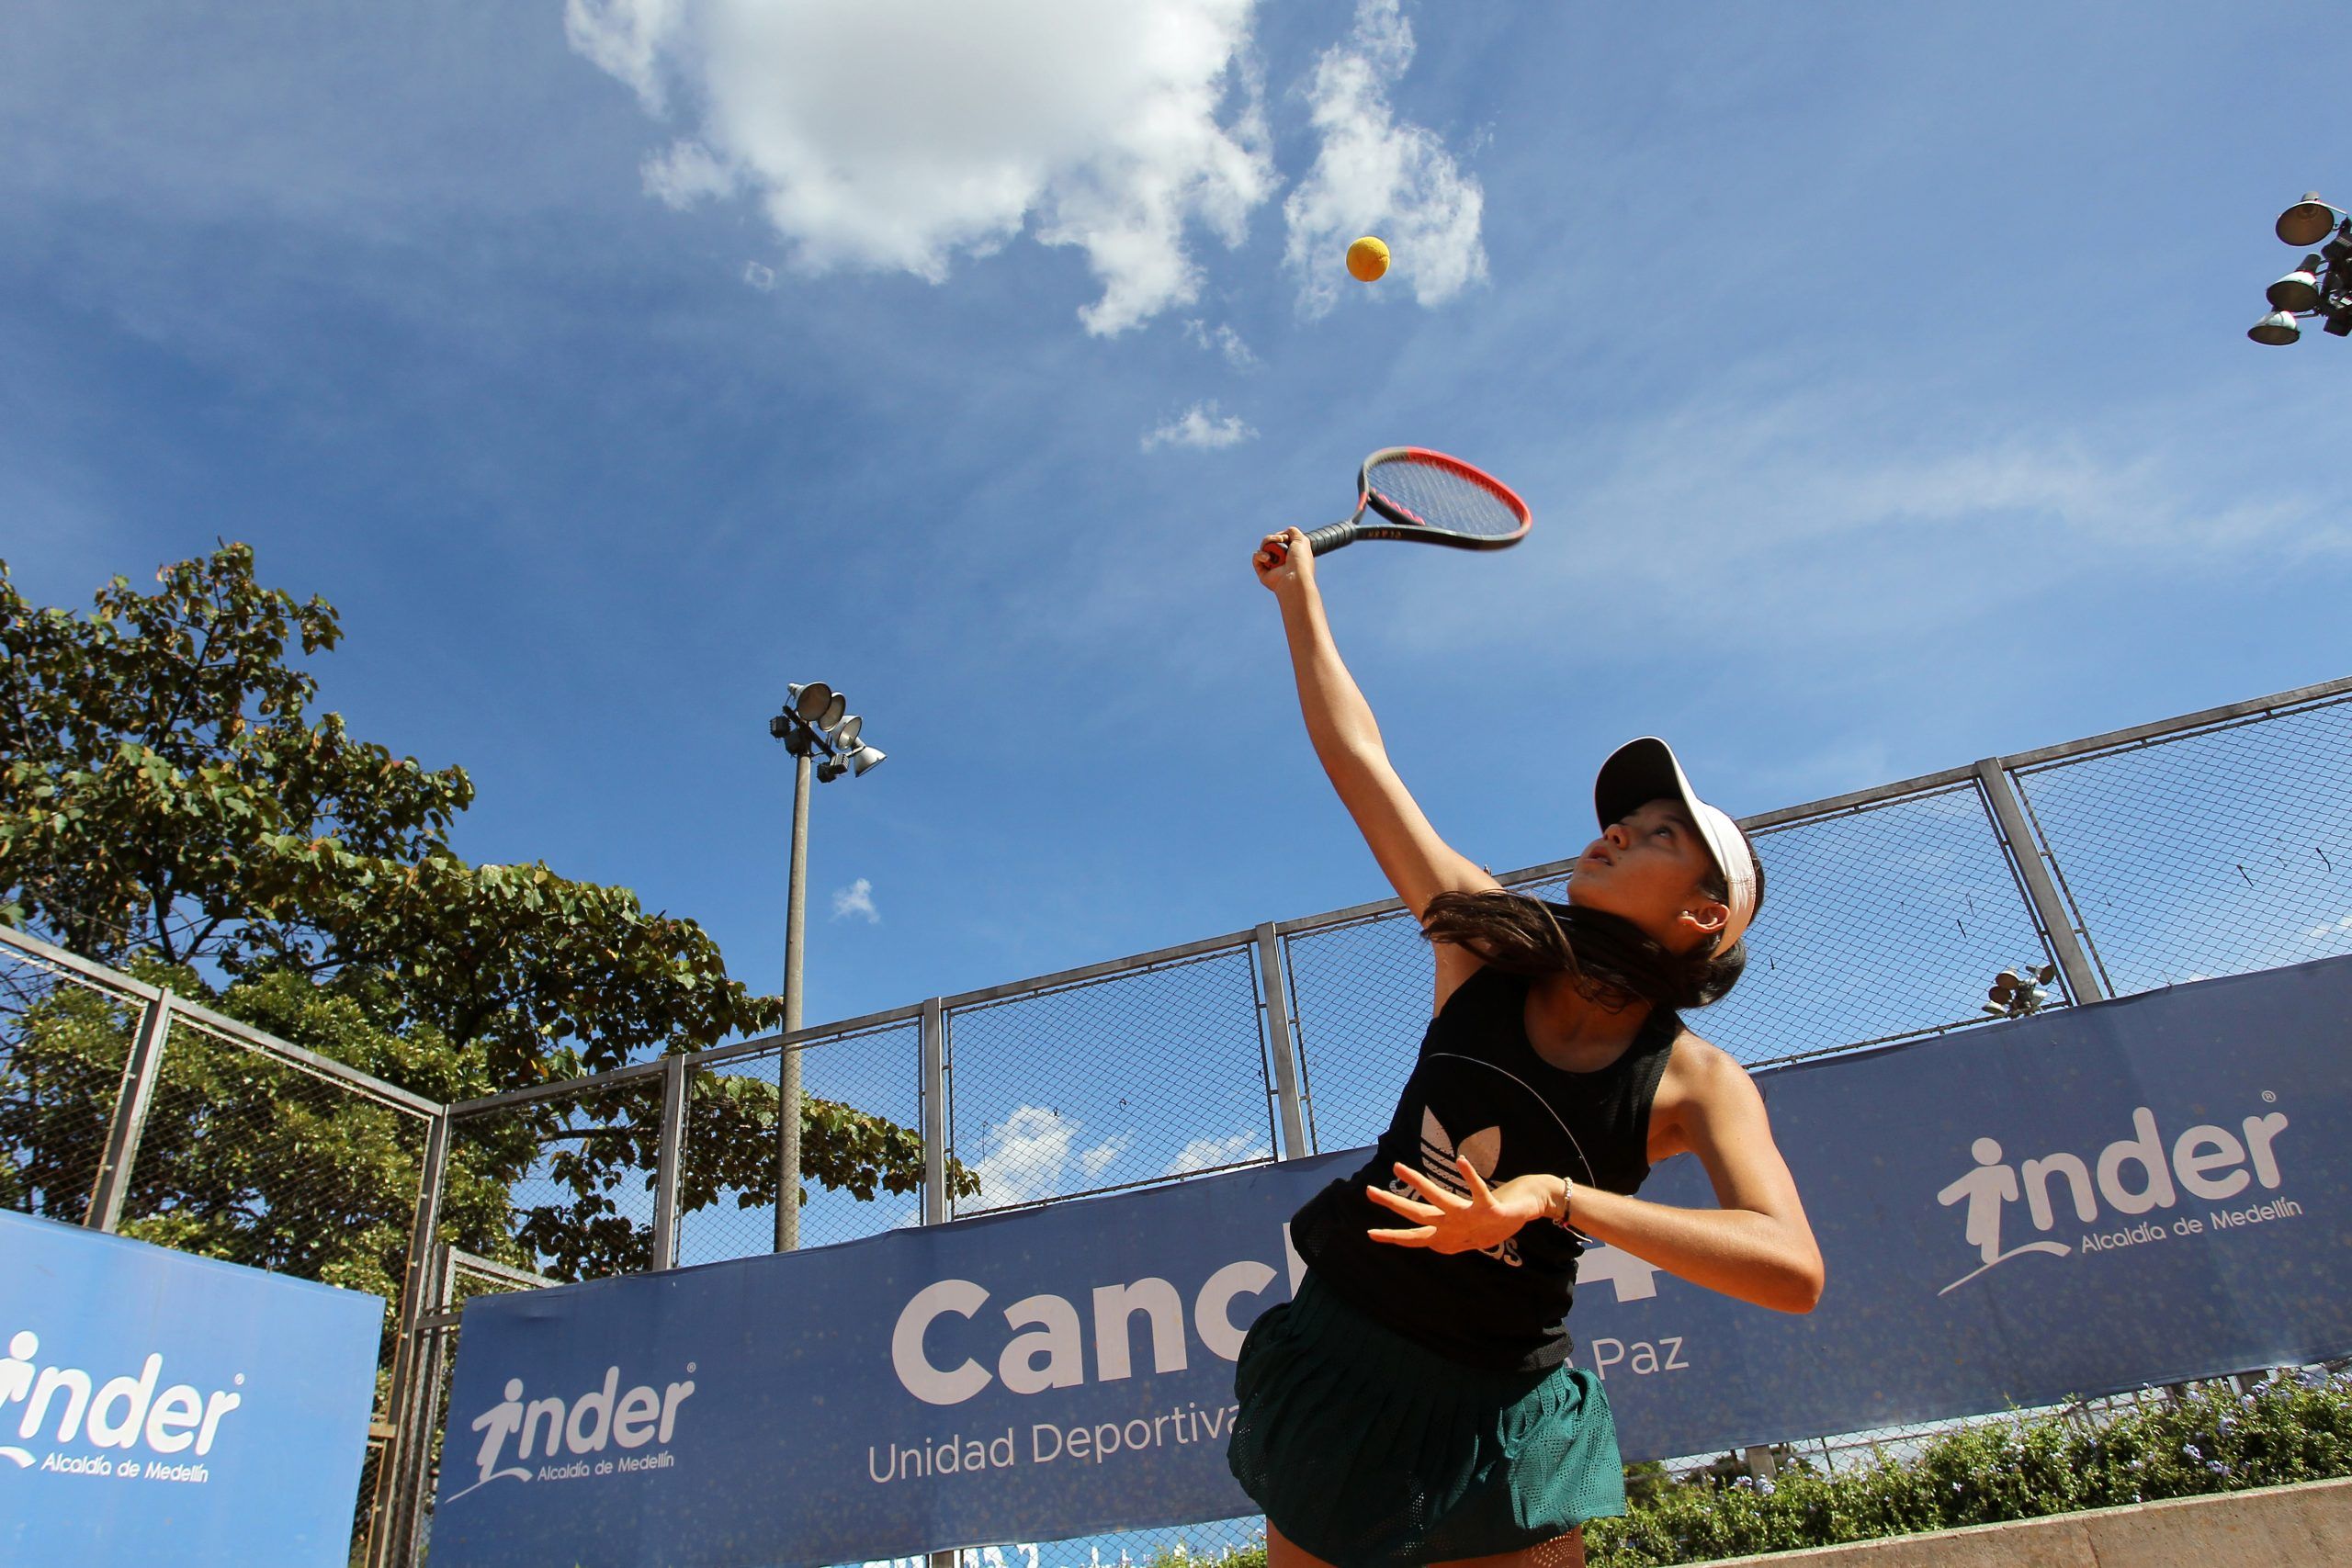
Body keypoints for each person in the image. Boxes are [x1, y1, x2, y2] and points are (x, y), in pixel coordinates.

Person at [1227, 528, 1826, 1568]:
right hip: (1344, 1355)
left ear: (1702, 918)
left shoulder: (1697, 1083)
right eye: (1622, 819)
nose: (1615, 832)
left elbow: (1792, 1270)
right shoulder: (1488, 947)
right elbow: (1359, 761)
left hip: (1504, 1406)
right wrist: (1298, 601)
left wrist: (1555, 1197)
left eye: (1657, 834)